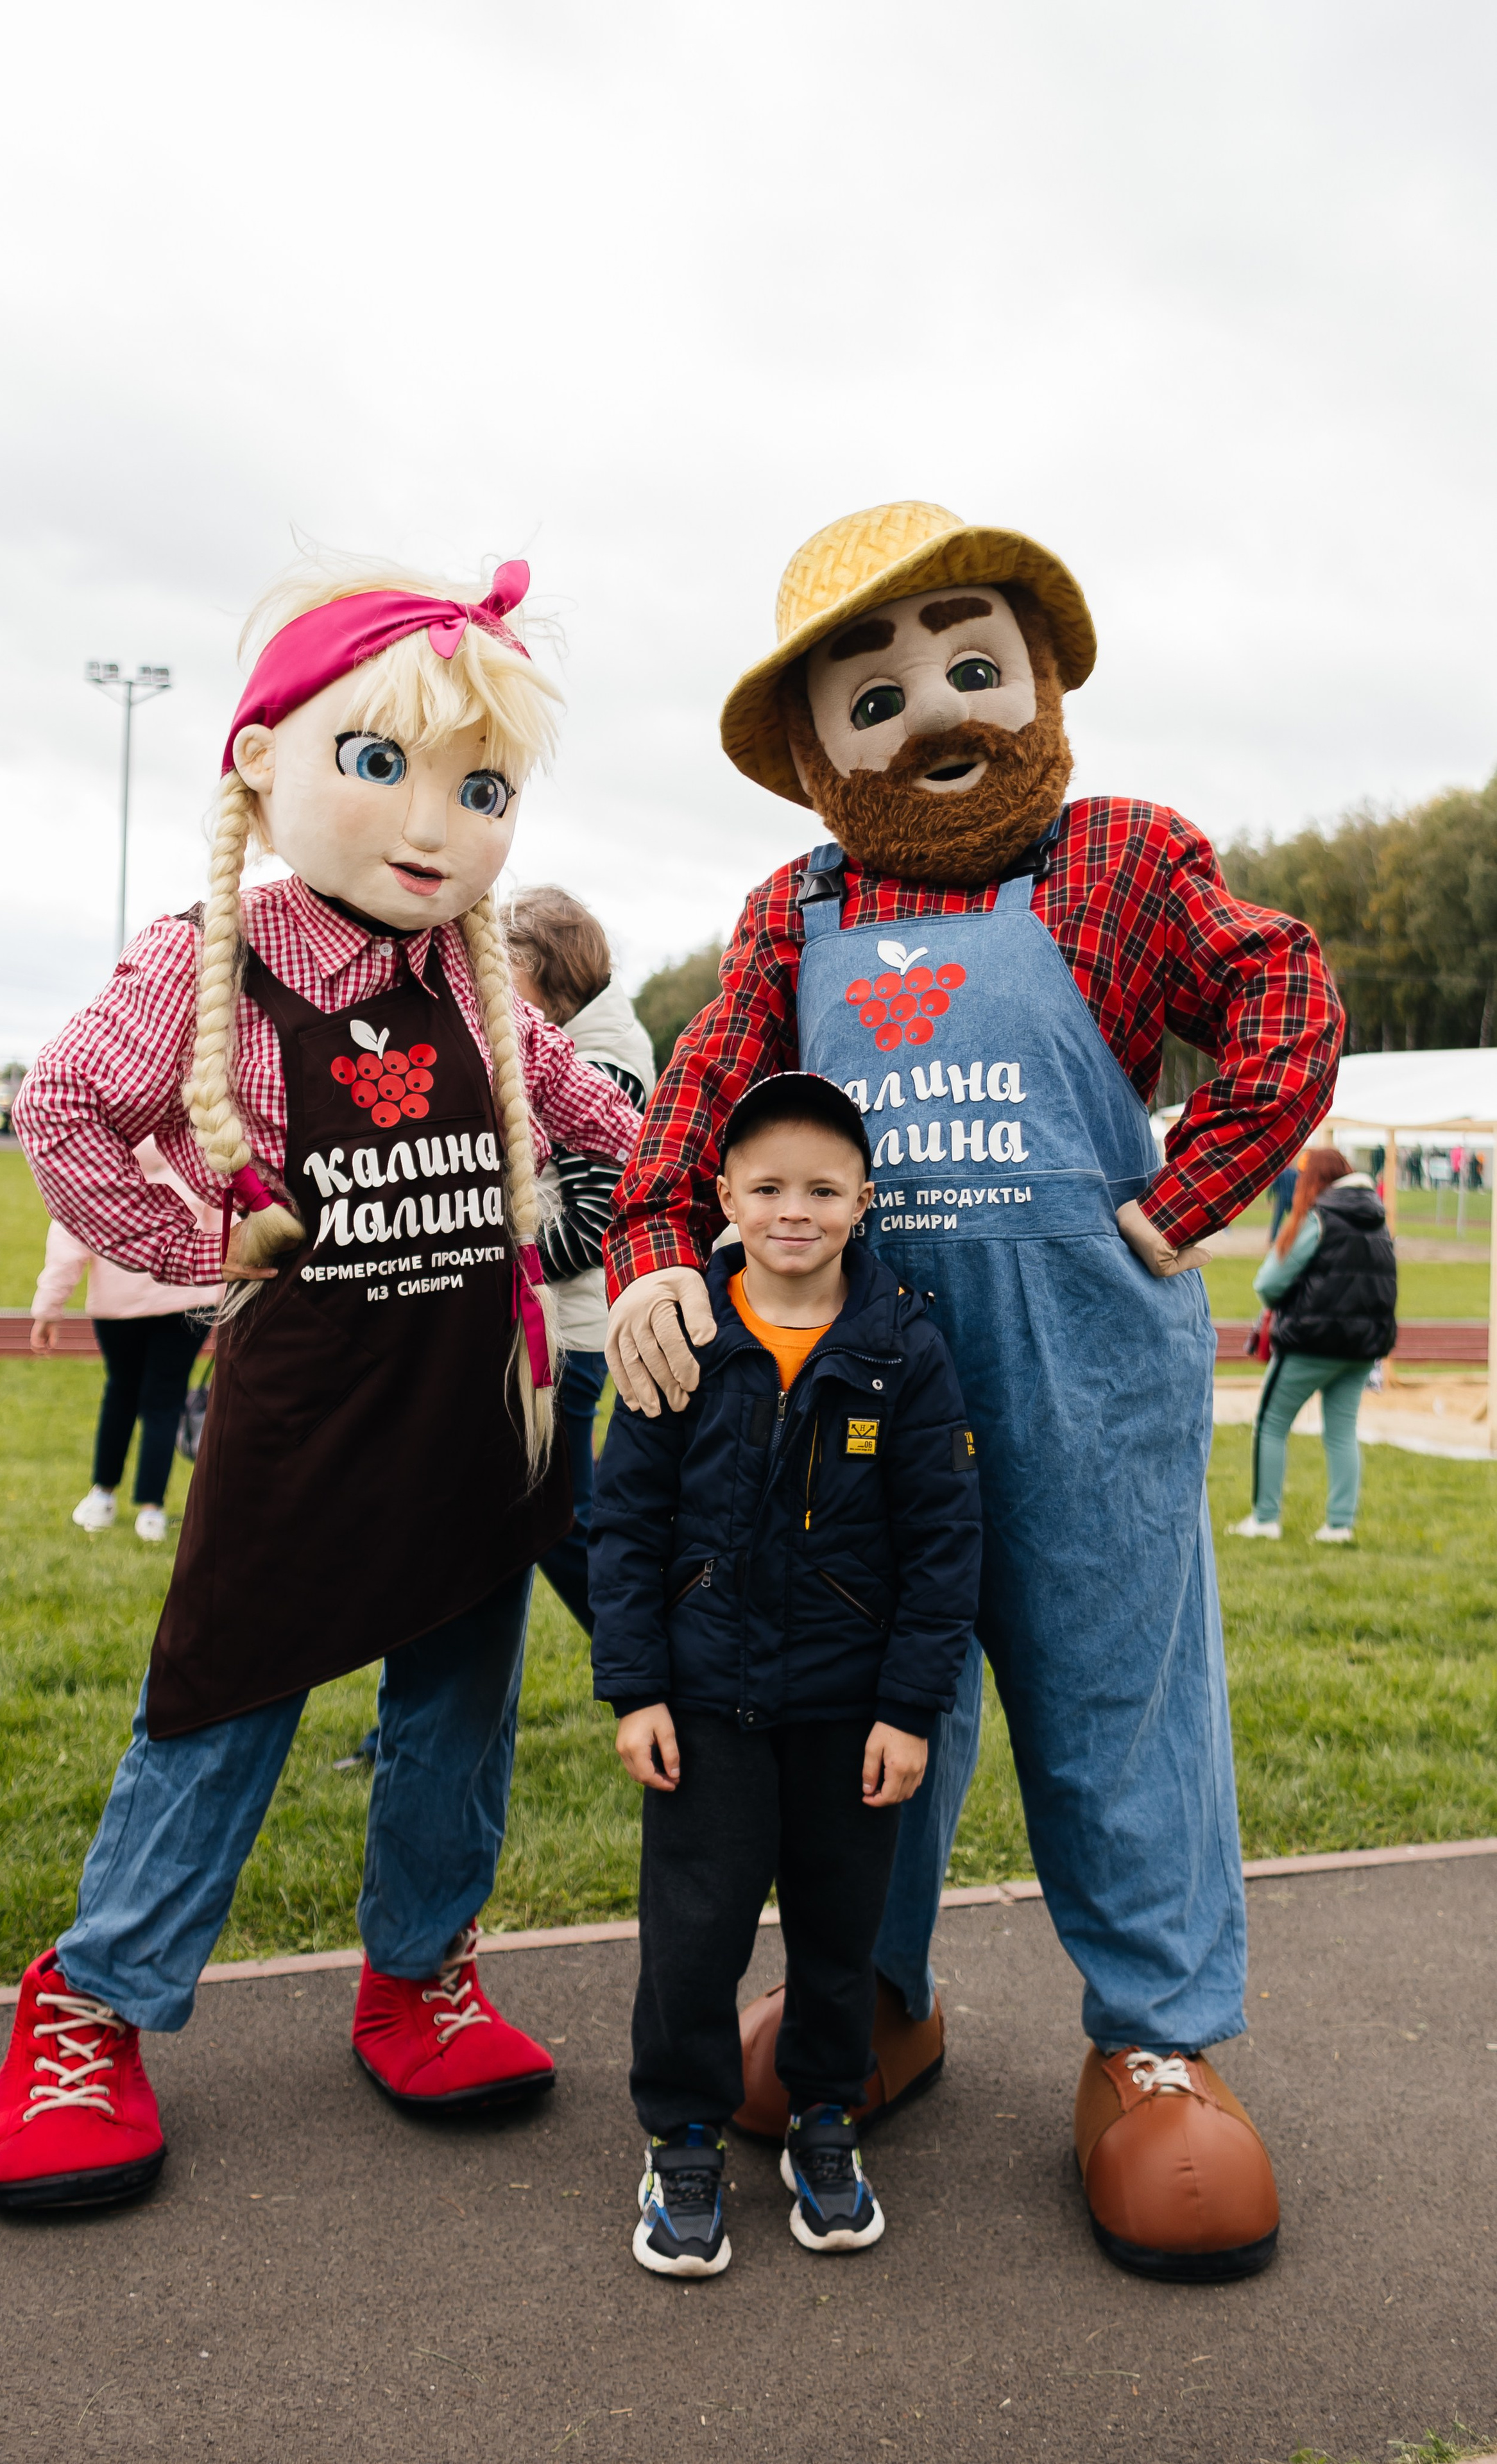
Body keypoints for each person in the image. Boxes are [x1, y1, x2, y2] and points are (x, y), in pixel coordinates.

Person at [604, 500, 1343, 2282]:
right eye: (875, 696)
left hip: (1086, 1392)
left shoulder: (1121, 860)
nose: (933, 715)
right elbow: (704, 1096)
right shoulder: (800, 908)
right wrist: (645, 1250)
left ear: (1038, 675)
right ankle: (878, 2000)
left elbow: (1285, 990)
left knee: (1117, 1704)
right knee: (869, 1721)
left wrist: (1189, 1193)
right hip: (852, 1418)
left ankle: (1156, 2038)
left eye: (968, 666)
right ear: (811, 752)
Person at [0, 552, 642, 2214]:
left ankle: (420, 1979)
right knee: (218, 1701)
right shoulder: (218, 958)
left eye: (481, 789)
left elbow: (618, 1134)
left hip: (480, 1415)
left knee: (459, 1720)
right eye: (383, 765)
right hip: (304, 1416)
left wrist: (719, 1206)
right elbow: (65, 1112)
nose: (436, 821)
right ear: (269, 766)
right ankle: (94, 2011)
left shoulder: (481, 980)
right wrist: (204, 1246)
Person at [590, 1074, 980, 2275]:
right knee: (695, 1937)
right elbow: (623, 1525)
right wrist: (637, 1688)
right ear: (725, 1199)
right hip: (705, 1708)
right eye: (768, 1188)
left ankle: (825, 2119)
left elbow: (945, 1544)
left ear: (865, 1200)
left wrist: (909, 1711)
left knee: (836, 1935)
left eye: (823, 1188)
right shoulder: (684, 1340)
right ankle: (686, 2141)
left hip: (847, 1714)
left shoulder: (905, 1350)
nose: (795, 1211)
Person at [504, 884, 656, 1635]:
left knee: (558, 1517)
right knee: (534, 1515)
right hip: (556, 1320)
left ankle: (657, 1673)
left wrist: (499, 1269)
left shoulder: (597, 1063)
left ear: (547, 972)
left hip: (564, 1329)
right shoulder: (592, 1042)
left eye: (509, 972)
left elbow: (595, 1219)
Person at [31, 1139, 222, 1544]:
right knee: (165, 1402)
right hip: (188, 1300)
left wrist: (49, 1309)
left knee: (121, 1392)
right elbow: (222, 1228)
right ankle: (151, 1512)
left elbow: (67, 1242)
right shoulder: (195, 1159)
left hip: (118, 1305)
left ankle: (103, 1496)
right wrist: (226, 1298)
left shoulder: (95, 1169)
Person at [1231, 1147, 1396, 1545]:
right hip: (1362, 1350)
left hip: (1309, 1343)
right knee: (1341, 1433)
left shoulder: (1319, 1218)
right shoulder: (1378, 1220)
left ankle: (1265, 1519)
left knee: (1271, 1425)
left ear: (1316, 1181)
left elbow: (1267, 1284)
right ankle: (1339, 1526)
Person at [1265, 1160, 1300, 1242]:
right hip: (1292, 1198)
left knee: (1277, 1219)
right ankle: (1293, 1237)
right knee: (1294, 1219)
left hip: (1281, 1198)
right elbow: (1299, 1186)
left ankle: (1273, 1239)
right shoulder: (1295, 1173)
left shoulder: (1279, 1173)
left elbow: (1273, 1185)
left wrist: (1269, 1197)